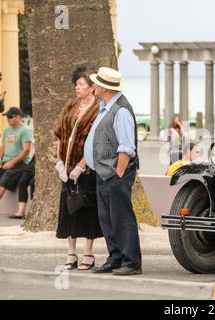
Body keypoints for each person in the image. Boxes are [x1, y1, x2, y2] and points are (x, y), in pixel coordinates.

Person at [84, 67, 142, 276]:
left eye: (96, 83)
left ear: (104, 87)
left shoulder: (121, 110)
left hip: (115, 173)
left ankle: (131, 261)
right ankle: (116, 257)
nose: (94, 86)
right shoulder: (106, 107)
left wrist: (118, 174)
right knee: (107, 218)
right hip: (104, 172)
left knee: (121, 218)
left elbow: (126, 147)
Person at [54, 66, 103, 271]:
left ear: (92, 87)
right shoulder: (71, 105)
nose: (78, 88)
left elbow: (94, 142)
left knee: (87, 208)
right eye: (76, 84)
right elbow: (60, 134)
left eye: (81, 84)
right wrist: (59, 162)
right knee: (69, 208)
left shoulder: (99, 108)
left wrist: (81, 166)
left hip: (87, 169)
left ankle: (89, 253)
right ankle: (71, 252)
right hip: (66, 167)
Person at [0, 107, 33, 209]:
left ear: (18, 117)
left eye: (10, 116)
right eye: (6, 117)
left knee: (0, 187)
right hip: (4, 162)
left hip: (19, 163)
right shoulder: (7, 130)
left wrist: (12, 162)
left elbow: (26, 151)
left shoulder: (26, 130)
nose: (7, 119)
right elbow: (2, 147)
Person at [9, 155, 35, 219]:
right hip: (33, 163)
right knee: (22, 183)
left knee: (33, 183)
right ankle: (21, 212)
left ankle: (33, 210)